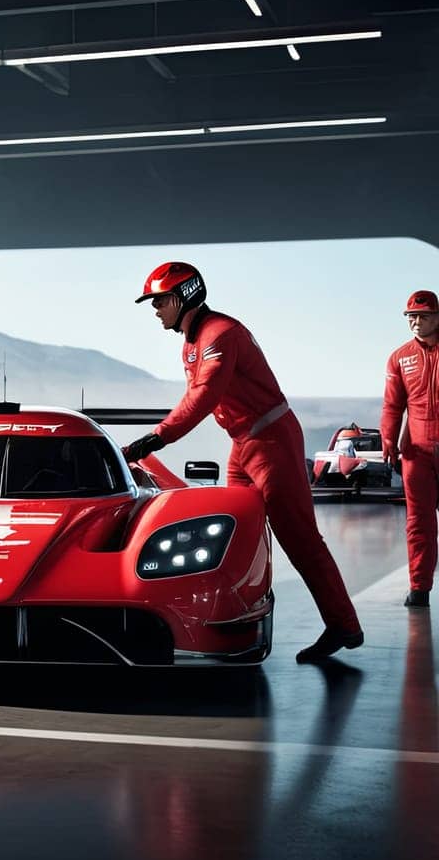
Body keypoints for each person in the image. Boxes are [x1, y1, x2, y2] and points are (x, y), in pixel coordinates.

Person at [123, 262, 363, 662]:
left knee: (300, 540)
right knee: (233, 534)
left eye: (160, 300)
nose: (155, 310)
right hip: (244, 443)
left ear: (185, 296)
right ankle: (235, 624)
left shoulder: (221, 335)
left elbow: (203, 397)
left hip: (272, 443)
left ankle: (344, 626)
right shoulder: (192, 341)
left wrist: (156, 438)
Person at [381, 289, 439, 608]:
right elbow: (392, 405)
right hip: (416, 453)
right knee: (419, 522)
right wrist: (388, 440)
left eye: (424, 316)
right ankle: (420, 588)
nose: (416, 322)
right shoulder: (399, 357)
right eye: (411, 317)